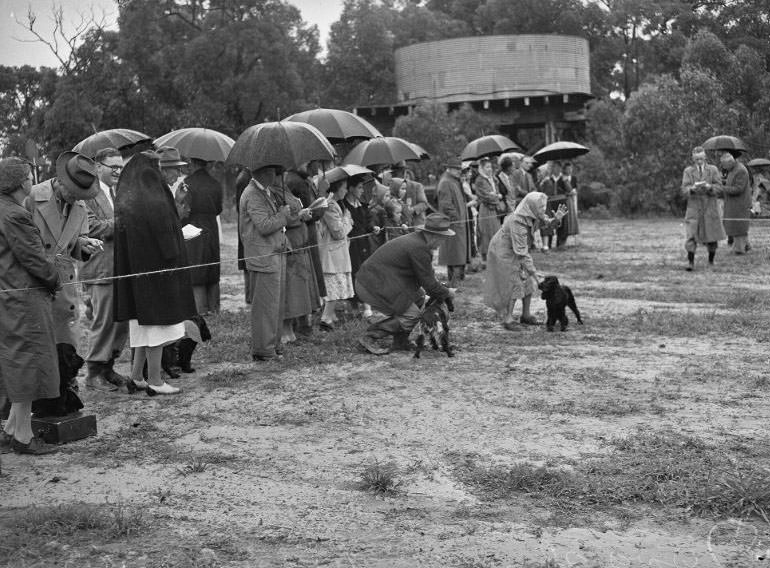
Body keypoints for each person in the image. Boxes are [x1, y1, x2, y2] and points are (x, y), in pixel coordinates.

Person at [114, 149, 197, 394]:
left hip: (140, 273)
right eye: (171, 169)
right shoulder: (154, 197)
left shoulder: (134, 195)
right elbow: (166, 235)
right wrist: (177, 245)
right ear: (155, 170)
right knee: (158, 327)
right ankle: (155, 380)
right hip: (158, 273)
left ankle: (137, 376)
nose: (177, 174)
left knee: (141, 327)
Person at [0, 158, 61, 454]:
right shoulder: (15, 215)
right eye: (28, 176)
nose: (31, 180)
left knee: (16, 362)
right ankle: (23, 436)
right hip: (23, 301)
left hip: (7, 296)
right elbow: (34, 259)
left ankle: (12, 426)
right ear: (21, 182)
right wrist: (54, 278)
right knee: (29, 364)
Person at [26, 152, 103, 347]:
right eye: (73, 192)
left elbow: (73, 241)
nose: (77, 198)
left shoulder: (80, 204)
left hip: (64, 289)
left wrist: (84, 244)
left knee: (67, 349)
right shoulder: (32, 197)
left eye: (81, 194)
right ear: (60, 181)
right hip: (36, 283)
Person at [356, 213, 455, 355]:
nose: (442, 243)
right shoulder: (419, 248)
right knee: (412, 315)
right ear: (435, 236)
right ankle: (369, 336)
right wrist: (448, 293)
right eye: (443, 238)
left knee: (420, 298)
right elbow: (430, 285)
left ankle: (400, 342)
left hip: (378, 282)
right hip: (372, 286)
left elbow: (427, 279)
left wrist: (440, 288)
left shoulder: (418, 242)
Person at [82, 147, 129, 390]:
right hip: (100, 269)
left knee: (120, 321)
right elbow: (90, 228)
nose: (118, 171)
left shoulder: (119, 191)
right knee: (102, 321)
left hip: (122, 268)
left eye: (120, 167)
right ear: (98, 166)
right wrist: (123, 222)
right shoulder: (87, 194)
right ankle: (93, 373)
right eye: (113, 167)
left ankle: (108, 367)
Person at [484, 192, 567, 330]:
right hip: (503, 250)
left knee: (527, 279)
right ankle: (508, 319)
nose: (542, 210)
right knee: (514, 281)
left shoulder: (534, 214)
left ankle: (526, 315)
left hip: (517, 249)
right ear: (531, 206)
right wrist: (535, 273)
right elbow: (521, 254)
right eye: (540, 207)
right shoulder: (517, 222)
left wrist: (556, 219)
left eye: (543, 207)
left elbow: (548, 225)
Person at [240, 165, 293, 361]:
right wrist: (283, 216)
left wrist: (285, 213)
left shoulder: (264, 192)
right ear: (263, 172)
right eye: (273, 171)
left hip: (274, 254)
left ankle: (273, 345)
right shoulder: (253, 194)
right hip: (263, 258)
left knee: (276, 304)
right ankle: (263, 349)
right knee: (265, 306)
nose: (276, 174)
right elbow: (263, 226)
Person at [270, 175, 317, 344]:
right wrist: (299, 216)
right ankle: (284, 331)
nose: (282, 176)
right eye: (278, 172)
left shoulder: (286, 189)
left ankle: (291, 328)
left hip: (300, 244)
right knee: (289, 289)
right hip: (290, 244)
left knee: (297, 289)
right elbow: (281, 218)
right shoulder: (272, 192)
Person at [183, 158, 223, 315]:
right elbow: (219, 208)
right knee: (212, 265)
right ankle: (214, 307)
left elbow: (185, 209)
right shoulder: (215, 183)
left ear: (193, 164)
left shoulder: (188, 183)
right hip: (211, 226)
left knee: (196, 267)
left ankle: (200, 308)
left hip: (193, 226)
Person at [318, 177, 355, 330]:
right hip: (332, 252)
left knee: (337, 284)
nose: (346, 190)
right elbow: (338, 232)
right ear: (336, 188)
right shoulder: (330, 205)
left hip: (338, 252)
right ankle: (326, 318)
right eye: (344, 187)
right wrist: (347, 220)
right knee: (333, 285)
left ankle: (331, 314)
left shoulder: (337, 204)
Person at [681, 147, 725, 271]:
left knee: (712, 236)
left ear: (705, 158)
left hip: (709, 207)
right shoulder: (688, 171)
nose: (699, 161)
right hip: (694, 208)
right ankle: (690, 263)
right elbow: (684, 189)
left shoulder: (713, 170)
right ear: (693, 159)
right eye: (696, 159)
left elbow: (720, 187)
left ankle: (711, 261)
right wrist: (692, 189)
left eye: (701, 159)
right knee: (691, 235)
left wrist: (709, 187)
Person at [342, 173, 374, 318]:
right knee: (353, 272)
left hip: (364, 244)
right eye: (359, 187)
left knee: (364, 273)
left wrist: (373, 228)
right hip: (350, 246)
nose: (362, 190)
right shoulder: (343, 206)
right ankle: (353, 305)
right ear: (350, 188)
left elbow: (368, 222)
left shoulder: (363, 206)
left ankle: (367, 304)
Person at [436, 158, 469, 287]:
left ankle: (456, 283)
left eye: (460, 169)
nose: (459, 171)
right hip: (452, 225)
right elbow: (446, 205)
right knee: (454, 256)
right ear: (449, 168)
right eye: (456, 169)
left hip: (458, 224)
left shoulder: (454, 180)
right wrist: (456, 218)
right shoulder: (445, 182)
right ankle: (454, 284)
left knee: (458, 255)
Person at [720, 152, 752, 254]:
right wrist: (722, 181)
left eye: (724, 165)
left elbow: (738, 189)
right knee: (736, 225)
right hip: (733, 203)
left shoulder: (740, 170)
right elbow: (731, 182)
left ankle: (739, 249)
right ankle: (746, 245)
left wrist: (722, 188)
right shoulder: (733, 169)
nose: (723, 167)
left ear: (730, 162)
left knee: (738, 225)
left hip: (740, 203)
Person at [474, 157, 503, 262]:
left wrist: (495, 194)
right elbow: (485, 195)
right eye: (487, 167)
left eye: (490, 166)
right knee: (486, 232)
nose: (489, 169)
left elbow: (497, 193)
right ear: (481, 168)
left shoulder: (493, 179)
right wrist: (496, 197)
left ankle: (495, 254)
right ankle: (486, 255)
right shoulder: (480, 180)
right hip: (485, 208)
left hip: (494, 209)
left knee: (495, 231)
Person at [539, 161, 569, 248]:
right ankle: (548, 243)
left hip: (562, 201)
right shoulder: (548, 179)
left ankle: (561, 243)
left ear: (560, 168)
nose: (557, 169)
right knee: (550, 220)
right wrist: (543, 182)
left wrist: (565, 181)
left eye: (558, 167)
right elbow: (542, 191)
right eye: (555, 167)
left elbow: (569, 190)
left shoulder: (564, 178)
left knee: (562, 222)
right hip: (551, 202)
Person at [561, 162, 580, 239]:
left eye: (571, 169)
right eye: (568, 169)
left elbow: (575, 188)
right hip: (565, 199)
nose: (570, 170)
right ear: (564, 170)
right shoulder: (562, 178)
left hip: (573, 198)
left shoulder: (574, 178)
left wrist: (573, 192)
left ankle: (573, 232)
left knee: (574, 214)